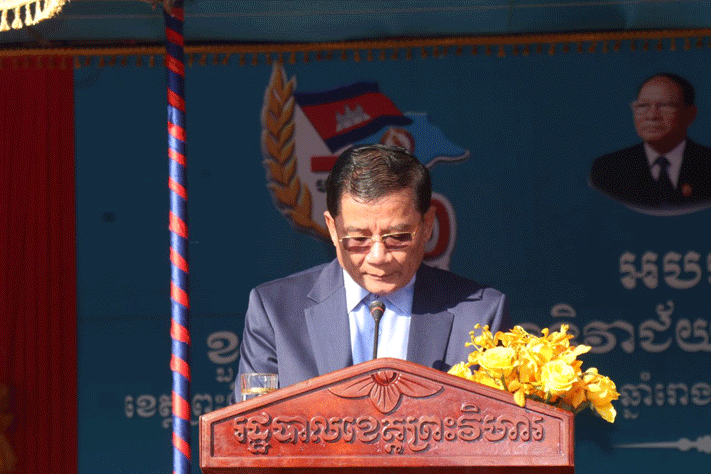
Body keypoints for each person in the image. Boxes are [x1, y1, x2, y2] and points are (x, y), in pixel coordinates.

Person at [236, 144, 511, 393]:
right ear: (333, 229)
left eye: (398, 237)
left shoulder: (480, 314)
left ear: (427, 225)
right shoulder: (276, 310)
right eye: (359, 239)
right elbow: (252, 426)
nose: (378, 257)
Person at [590, 73, 711, 214]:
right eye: (643, 106)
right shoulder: (608, 170)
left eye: (665, 105)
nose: (652, 116)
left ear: (690, 114)